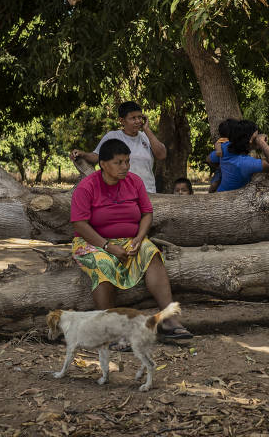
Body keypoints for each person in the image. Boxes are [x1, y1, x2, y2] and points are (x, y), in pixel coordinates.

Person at [70, 138, 191, 346]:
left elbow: (147, 214)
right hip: (93, 242)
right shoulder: (87, 186)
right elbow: (80, 224)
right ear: (103, 164)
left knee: (151, 253)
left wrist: (139, 238)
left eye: (127, 161)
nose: (125, 167)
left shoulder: (134, 181)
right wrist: (107, 246)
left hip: (129, 240)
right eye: (119, 162)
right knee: (103, 263)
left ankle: (168, 319)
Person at [70, 101, 167, 193]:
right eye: (133, 118)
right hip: (120, 194)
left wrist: (146, 129)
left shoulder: (147, 137)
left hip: (148, 192)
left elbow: (162, 155)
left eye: (140, 117)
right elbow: (97, 157)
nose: (138, 121)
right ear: (122, 120)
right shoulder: (113, 136)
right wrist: (83, 154)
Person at [208, 120, 269, 192]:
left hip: (220, 192)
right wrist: (261, 142)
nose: (259, 136)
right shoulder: (244, 163)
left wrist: (222, 168)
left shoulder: (225, 148)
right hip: (231, 201)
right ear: (250, 140)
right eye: (256, 136)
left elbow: (209, 159)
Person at [208, 118, 236, 193]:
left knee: (215, 184)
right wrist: (219, 151)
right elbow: (218, 145)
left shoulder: (235, 142)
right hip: (222, 169)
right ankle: (209, 195)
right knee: (215, 183)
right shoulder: (223, 140)